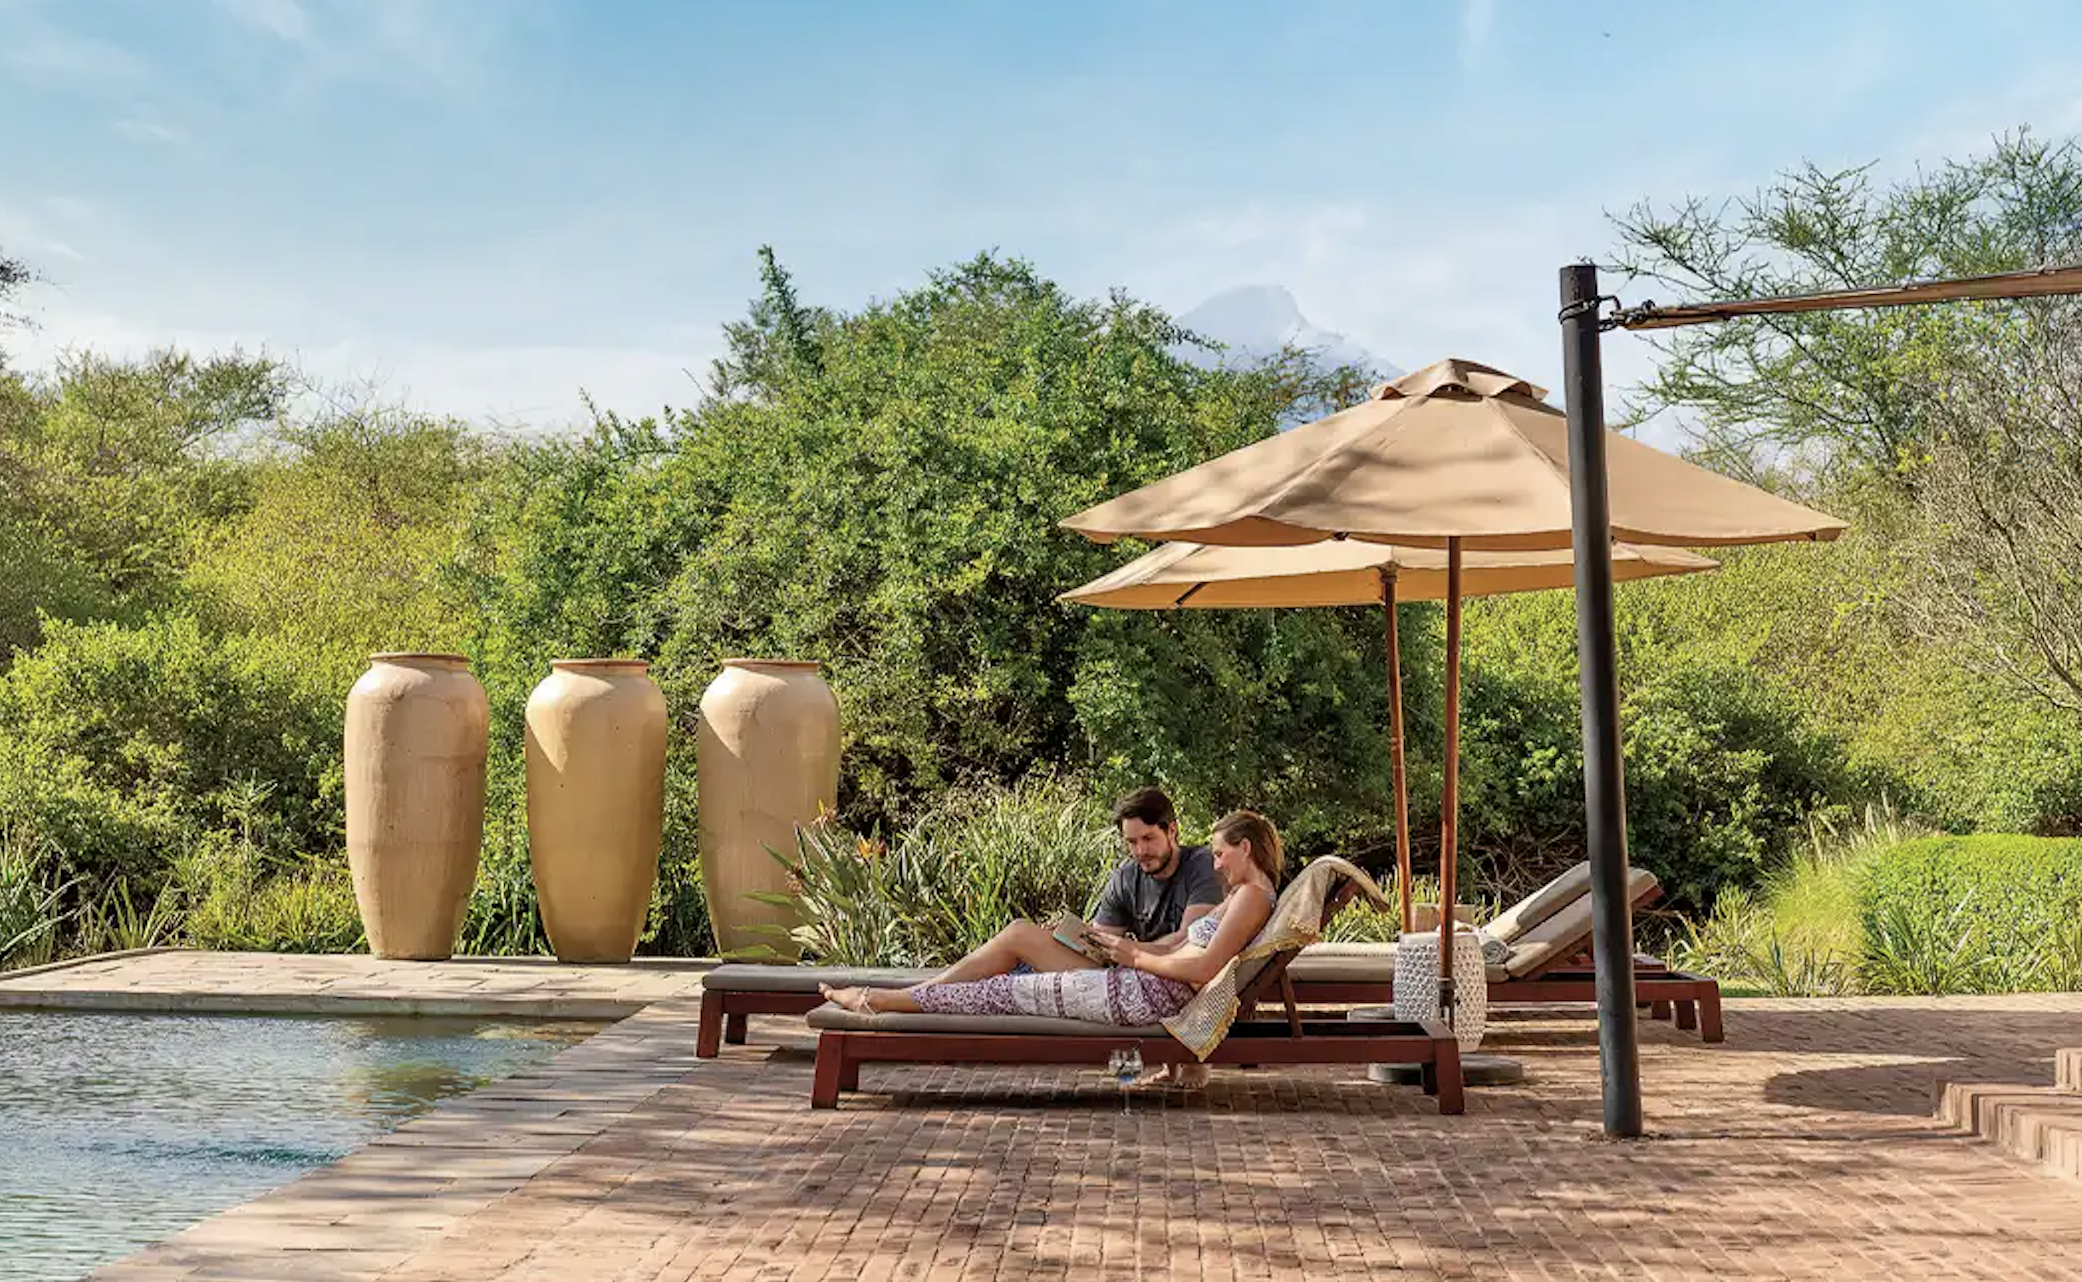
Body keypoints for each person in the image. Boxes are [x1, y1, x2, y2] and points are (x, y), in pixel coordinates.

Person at [818, 810, 1285, 1047]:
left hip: (1141, 996)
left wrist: (1134, 956)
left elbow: (1204, 968)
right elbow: (1185, 945)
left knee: (1000, 993)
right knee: (1004, 985)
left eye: (1221, 853)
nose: (1216, 863)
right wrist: (1123, 948)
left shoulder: (1250, 897)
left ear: (1245, 848)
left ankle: (877, 1001)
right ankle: (886, 998)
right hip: (1139, 985)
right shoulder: (1246, 896)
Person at [1089, 787, 1226, 947]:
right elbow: (1100, 942)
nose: (1141, 851)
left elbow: (1189, 942)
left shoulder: (1203, 865)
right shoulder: (1124, 880)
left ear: (1172, 831)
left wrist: (1128, 951)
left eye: (1148, 838)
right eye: (1132, 842)